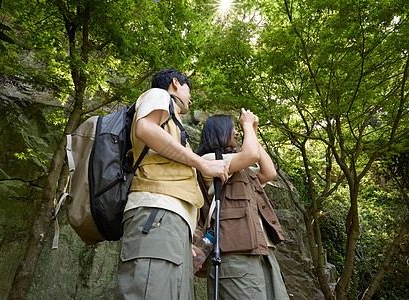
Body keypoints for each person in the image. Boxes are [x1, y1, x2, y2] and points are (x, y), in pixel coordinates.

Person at [116, 68, 229, 300]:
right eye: (189, 89)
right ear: (176, 83)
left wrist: (185, 236)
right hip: (157, 213)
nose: (191, 97)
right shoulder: (159, 95)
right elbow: (145, 128)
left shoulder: (174, 124)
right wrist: (201, 164)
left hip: (169, 223)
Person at [196, 109, 289, 300]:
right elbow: (250, 155)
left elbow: (269, 173)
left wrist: (252, 132)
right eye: (232, 128)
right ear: (219, 132)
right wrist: (246, 125)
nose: (237, 132)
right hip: (234, 254)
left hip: (262, 250)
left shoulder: (242, 169)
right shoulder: (210, 161)